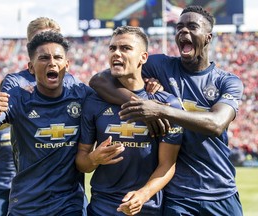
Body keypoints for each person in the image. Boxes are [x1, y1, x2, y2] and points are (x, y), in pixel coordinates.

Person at [89, 5, 244, 216]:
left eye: (191, 26)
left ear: (208, 37)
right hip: (177, 195)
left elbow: (216, 124)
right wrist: (141, 105)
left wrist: (161, 111)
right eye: (179, 27)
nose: (183, 31)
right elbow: (99, 80)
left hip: (220, 189)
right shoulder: (160, 65)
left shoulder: (227, 81)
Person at [0, 31, 93, 215]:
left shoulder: (82, 95)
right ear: (31, 67)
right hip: (27, 207)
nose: (52, 62)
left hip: (70, 207)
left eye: (58, 57)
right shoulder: (18, 99)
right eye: (44, 58)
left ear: (66, 65)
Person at [76, 26, 183, 216]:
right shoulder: (93, 101)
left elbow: (167, 164)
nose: (116, 53)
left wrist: (143, 195)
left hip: (147, 209)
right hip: (102, 208)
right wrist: (93, 159)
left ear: (143, 57)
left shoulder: (167, 104)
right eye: (112, 48)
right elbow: (81, 162)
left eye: (125, 48)